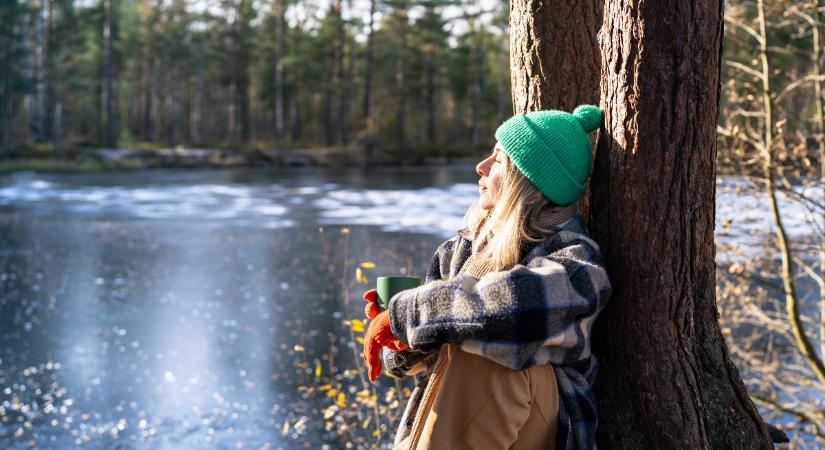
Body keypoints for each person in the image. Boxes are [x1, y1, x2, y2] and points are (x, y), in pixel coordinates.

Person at [362, 105, 612, 450]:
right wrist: (404, 341)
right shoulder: (461, 250)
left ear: (525, 180)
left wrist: (411, 313)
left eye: (497, 159)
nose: (480, 167)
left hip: (542, 430)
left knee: (491, 347)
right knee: (469, 338)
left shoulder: (575, 258)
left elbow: (513, 309)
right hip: (480, 428)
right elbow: (421, 368)